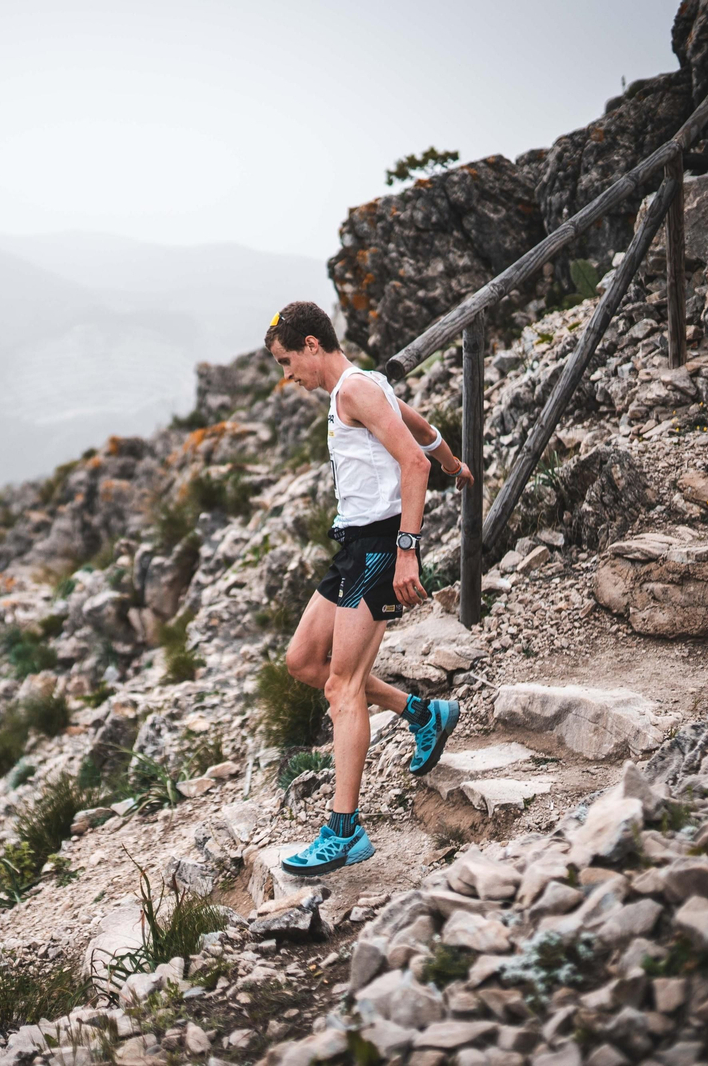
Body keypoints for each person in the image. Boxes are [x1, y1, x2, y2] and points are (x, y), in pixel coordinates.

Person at [264, 301, 474, 876]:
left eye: (287, 362)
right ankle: (423, 713)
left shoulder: (354, 389)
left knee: (341, 686)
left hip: (382, 546)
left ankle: (344, 830)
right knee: (304, 660)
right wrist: (457, 466)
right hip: (355, 545)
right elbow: (425, 434)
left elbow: (412, 462)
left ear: (312, 344)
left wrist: (407, 551)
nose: (289, 377)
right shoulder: (363, 389)